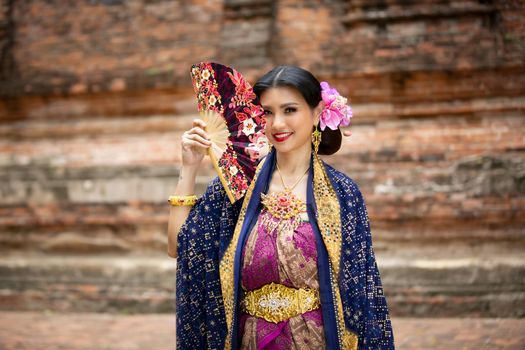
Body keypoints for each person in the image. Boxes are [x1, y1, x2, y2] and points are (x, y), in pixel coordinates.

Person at [167, 64, 395, 349]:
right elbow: (179, 247)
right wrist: (189, 168)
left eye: (289, 110)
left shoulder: (342, 193)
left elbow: (362, 292)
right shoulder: (235, 188)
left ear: (316, 112)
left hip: (317, 340)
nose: (276, 124)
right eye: (267, 112)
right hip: (250, 340)